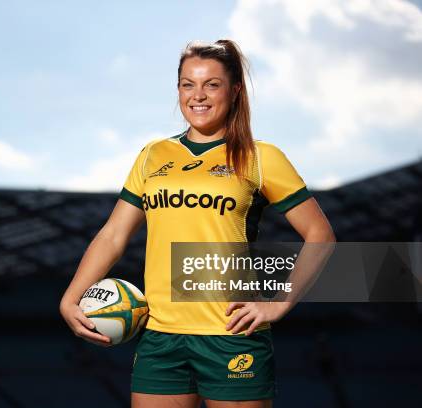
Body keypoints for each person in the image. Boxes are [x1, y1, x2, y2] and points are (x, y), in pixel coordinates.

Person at [60, 39, 335, 408]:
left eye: (212, 84)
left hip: (232, 335)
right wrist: (70, 296)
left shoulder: (260, 157)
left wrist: (279, 303)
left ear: (235, 90)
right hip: (160, 337)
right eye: (188, 84)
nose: (198, 95)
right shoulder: (152, 156)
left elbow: (321, 235)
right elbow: (112, 235)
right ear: (178, 90)